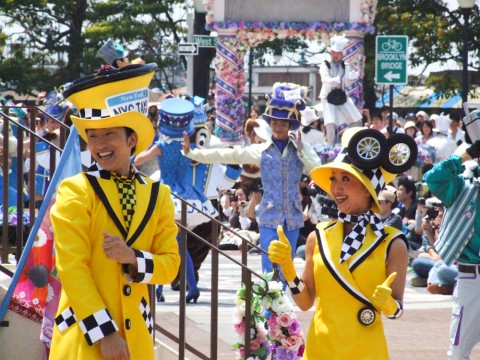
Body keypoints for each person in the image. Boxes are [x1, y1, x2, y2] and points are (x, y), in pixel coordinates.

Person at [49, 63, 180, 359]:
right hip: (86, 338)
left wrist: (133, 258)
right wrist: (105, 333)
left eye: (109, 134)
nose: (99, 145)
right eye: (93, 136)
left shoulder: (159, 194)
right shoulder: (75, 190)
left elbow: (171, 265)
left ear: (131, 139)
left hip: (137, 342)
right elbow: (71, 268)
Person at [268, 127, 409, 359]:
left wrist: (389, 305)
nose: (336, 188)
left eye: (346, 179)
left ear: (368, 189)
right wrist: (288, 270)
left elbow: (397, 311)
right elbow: (305, 303)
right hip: (321, 349)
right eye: (334, 179)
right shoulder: (318, 236)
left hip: (366, 351)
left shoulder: (392, 242)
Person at [182, 82, 321, 276]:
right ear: (269, 124)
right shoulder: (261, 150)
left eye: (283, 124)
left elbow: (318, 169)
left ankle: (280, 305)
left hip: (293, 217)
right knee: (268, 267)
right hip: (269, 216)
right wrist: (194, 154)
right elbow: (227, 155)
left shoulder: (301, 149)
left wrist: (301, 155)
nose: (278, 127)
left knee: (286, 268)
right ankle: (268, 306)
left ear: (290, 125)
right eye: (275, 123)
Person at [424, 140, 480, 359]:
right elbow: (433, 178)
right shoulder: (465, 184)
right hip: (472, 278)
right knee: (458, 352)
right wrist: (466, 155)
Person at [318, 35, 362, 145]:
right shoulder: (325, 65)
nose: (335, 55)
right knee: (330, 122)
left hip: (341, 95)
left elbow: (346, 80)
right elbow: (325, 79)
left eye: (338, 53)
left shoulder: (345, 66)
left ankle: (353, 142)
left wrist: (353, 76)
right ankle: (330, 146)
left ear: (341, 54)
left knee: (356, 118)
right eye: (333, 52)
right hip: (328, 96)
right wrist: (335, 80)